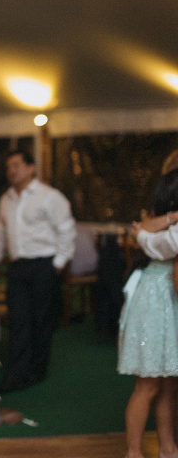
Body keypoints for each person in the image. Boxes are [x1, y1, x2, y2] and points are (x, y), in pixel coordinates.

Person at [0, 150, 76, 393]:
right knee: (18, 320)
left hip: (43, 265)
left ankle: (37, 371)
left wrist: (58, 263)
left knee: (41, 320)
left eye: (16, 165)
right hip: (17, 266)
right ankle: (15, 375)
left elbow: (67, 230)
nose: (11, 171)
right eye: (8, 167)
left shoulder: (50, 196)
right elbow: (0, 233)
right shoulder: (5, 199)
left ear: (31, 168)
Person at [120, 169, 178, 458]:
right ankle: (133, 452)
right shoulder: (169, 226)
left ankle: (168, 449)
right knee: (148, 384)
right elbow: (142, 233)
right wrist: (172, 217)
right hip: (156, 301)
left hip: (168, 300)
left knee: (167, 383)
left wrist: (144, 233)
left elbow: (141, 234)